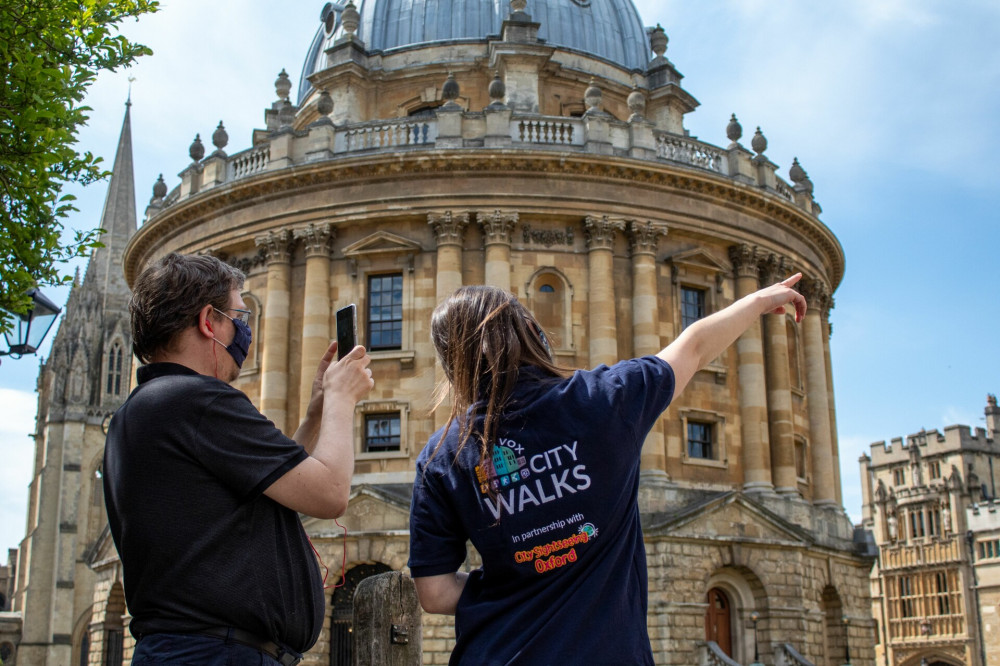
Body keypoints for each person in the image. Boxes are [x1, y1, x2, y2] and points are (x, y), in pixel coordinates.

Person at [408, 274, 808, 665]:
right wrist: (757, 302)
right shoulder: (605, 399)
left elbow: (435, 593)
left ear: (451, 360)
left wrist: (512, 579)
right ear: (530, 330)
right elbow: (695, 347)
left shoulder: (441, 455)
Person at [104, 252, 374, 666]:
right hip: (217, 652)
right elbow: (330, 492)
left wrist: (315, 414)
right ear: (208, 321)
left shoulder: (142, 411)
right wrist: (342, 399)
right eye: (240, 317)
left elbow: (277, 483)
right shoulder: (199, 401)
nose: (246, 332)